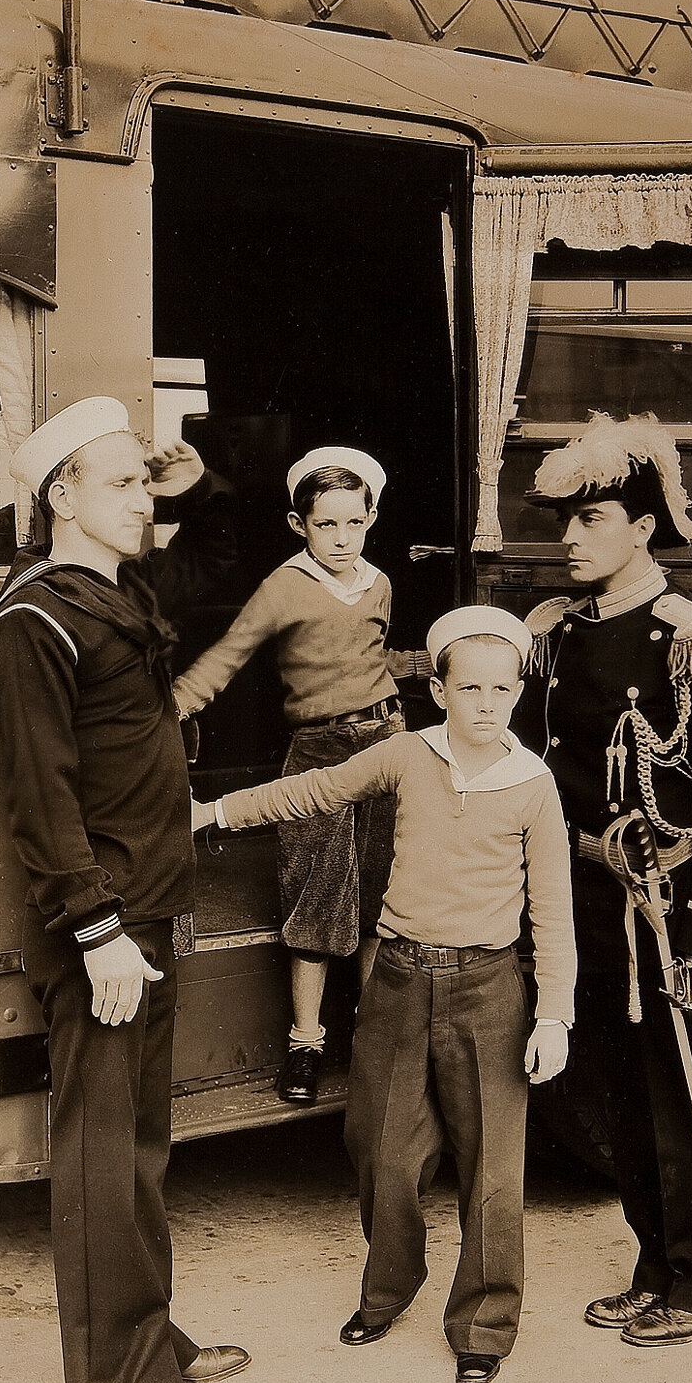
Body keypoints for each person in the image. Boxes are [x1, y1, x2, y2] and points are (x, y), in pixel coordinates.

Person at [194, 605, 573, 1383]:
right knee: (380, 1149)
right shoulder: (405, 754)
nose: (487, 704)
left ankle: (484, 1323)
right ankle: (389, 1286)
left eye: (503, 688)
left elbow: (553, 912)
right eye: (470, 687)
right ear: (438, 690)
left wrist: (555, 1013)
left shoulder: (533, 784)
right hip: (398, 979)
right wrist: (216, 811)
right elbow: (317, 790)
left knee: (493, 1168)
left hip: (489, 987)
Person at [0, 395, 245, 1383]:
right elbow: (40, 798)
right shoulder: (36, 619)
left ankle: (153, 1342)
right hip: (107, 922)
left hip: (144, 904)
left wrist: (197, 482)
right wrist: (94, 931)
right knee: (99, 1160)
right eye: (125, 481)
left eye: (144, 480)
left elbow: (220, 557)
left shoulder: (109, 591)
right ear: (62, 496)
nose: (144, 499)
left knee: (137, 1146)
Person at [517, 416, 692, 1349]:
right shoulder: (558, 632)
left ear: (642, 526)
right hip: (589, 900)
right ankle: (655, 1263)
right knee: (622, 1093)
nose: (571, 538)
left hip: (667, 907)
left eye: (592, 519)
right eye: (567, 522)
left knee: (683, 1091)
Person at [170, 448, 419, 1106]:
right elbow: (227, 654)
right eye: (325, 525)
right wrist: (172, 704)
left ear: (371, 519)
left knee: (375, 897)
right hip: (317, 752)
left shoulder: (380, 582)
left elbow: (370, 658)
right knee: (314, 900)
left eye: (353, 524)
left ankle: (372, 1037)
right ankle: (305, 1042)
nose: (341, 539)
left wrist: (428, 663)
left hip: (386, 745)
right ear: (297, 523)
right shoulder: (284, 585)